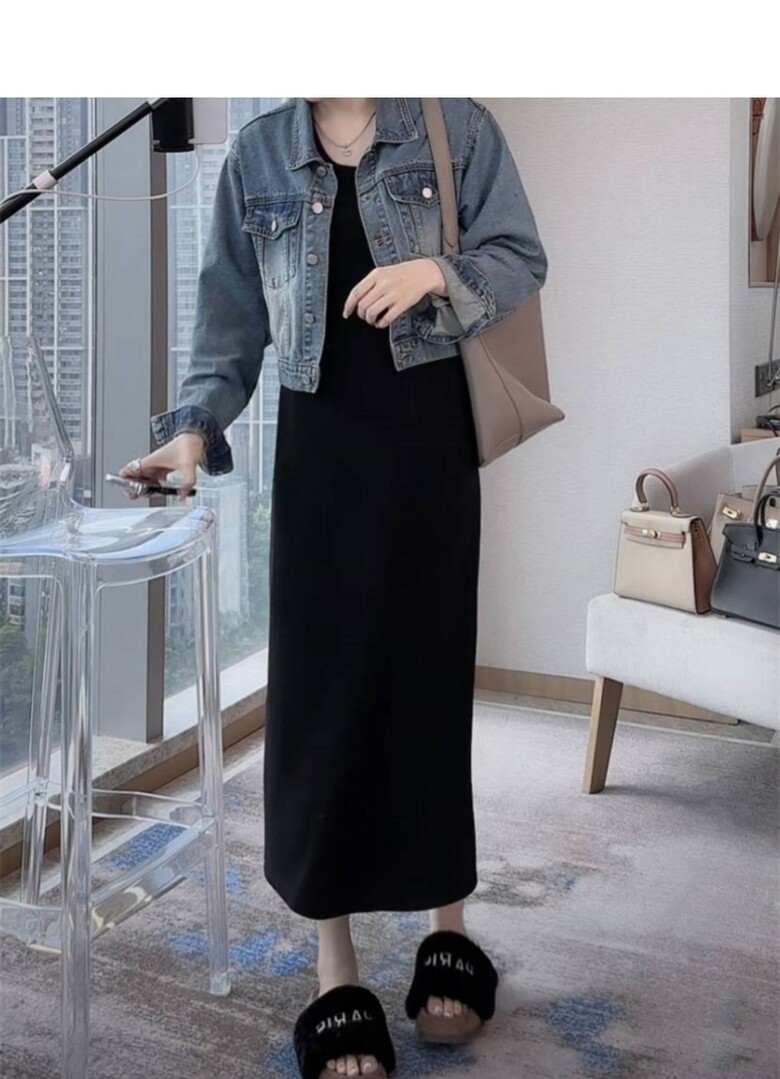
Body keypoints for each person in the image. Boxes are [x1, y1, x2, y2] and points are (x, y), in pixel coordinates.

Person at [120, 97, 547, 1079]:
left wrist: (435, 272)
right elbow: (229, 326)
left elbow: (520, 256)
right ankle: (334, 963)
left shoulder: (456, 128)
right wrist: (193, 433)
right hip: (321, 451)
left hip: (430, 444)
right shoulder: (260, 153)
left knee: (426, 686)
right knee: (322, 701)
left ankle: (448, 923)